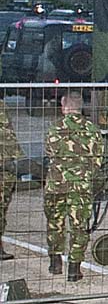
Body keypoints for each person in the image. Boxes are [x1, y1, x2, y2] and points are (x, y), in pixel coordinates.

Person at [44, 92, 104, 281]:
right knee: (79, 226)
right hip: (81, 186)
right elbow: (97, 160)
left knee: (55, 222)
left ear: (64, 107)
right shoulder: (92, 129)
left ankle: (55, 262)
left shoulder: (56, 128)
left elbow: (49, 153)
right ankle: (74, 268)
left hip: (56, 185)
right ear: (80, 107)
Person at [0, 101, 22, 261]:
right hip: (5, 163)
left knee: (2, 208)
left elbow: (8, 134)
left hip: (7, 166)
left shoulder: (1, 105)